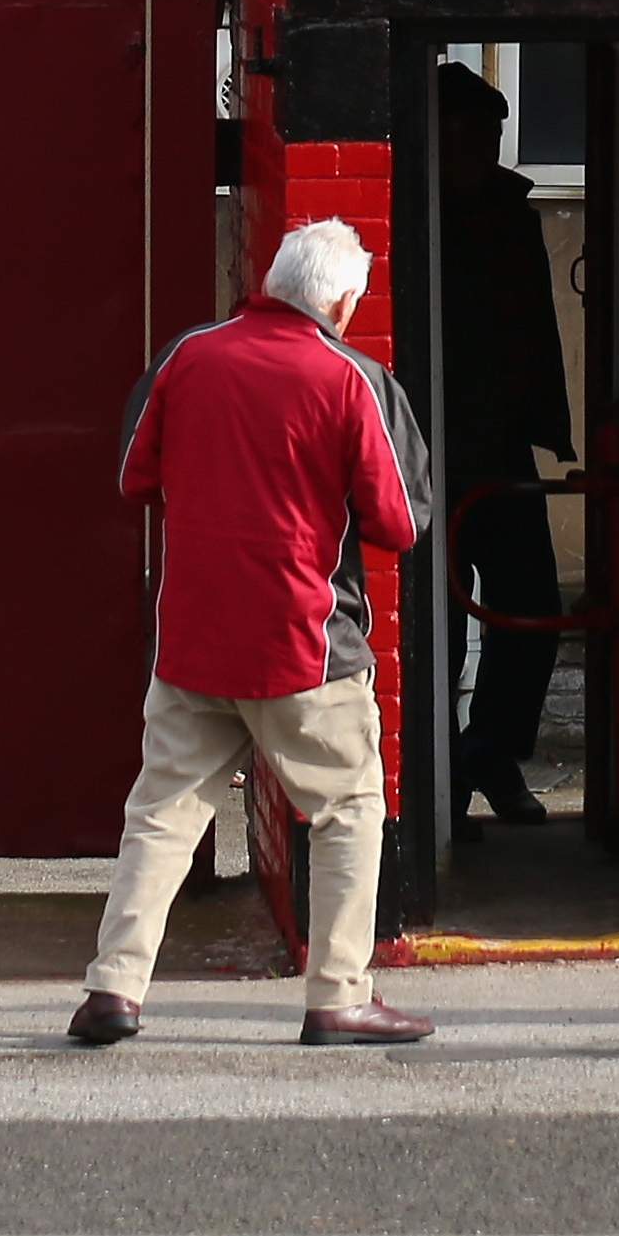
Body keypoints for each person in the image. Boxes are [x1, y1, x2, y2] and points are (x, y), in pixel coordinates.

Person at [69, 217, 439, 1050]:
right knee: (347, 807)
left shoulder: (186, 357)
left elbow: (136, 477)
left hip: (194, 636)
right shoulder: (355, 379)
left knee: (161, 811)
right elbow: (398, 522)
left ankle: (113, 988)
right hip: (305, 642)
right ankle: (339, 994)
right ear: (343, 300)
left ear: (272, 280)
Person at [435, 63, 573, 825]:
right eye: (471, 133)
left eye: (491, 133)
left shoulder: (509, 212)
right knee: (439, 627)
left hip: (504, 443)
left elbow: (532, 329)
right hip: (434, 450)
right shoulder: (414, 211)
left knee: (534, 607)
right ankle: (444, 774)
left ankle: (488, 754)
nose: (486, 147)